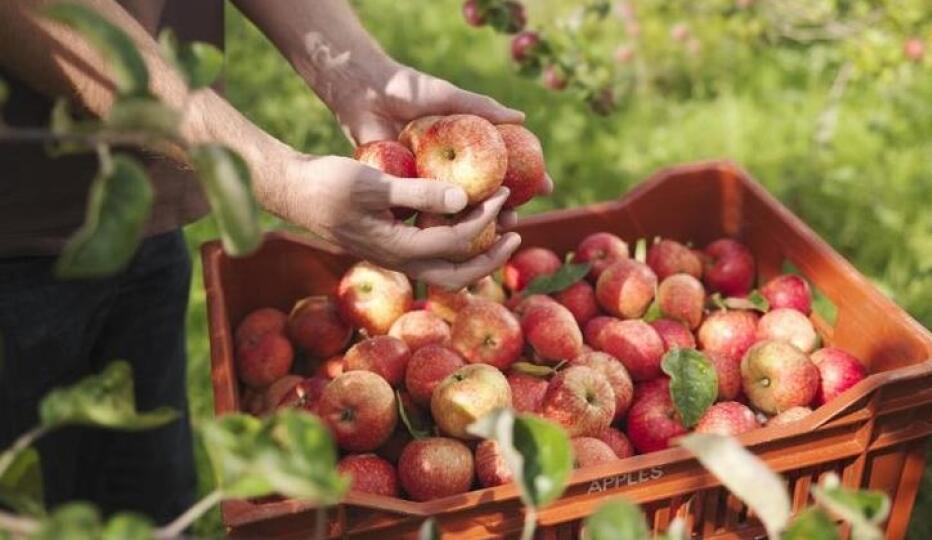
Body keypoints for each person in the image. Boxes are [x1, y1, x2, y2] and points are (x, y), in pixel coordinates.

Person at [0, 0, 549, 523]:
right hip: (13, 231)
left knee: (143, 496)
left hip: (143, 198)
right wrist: (277, 176)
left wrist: (357, 72)